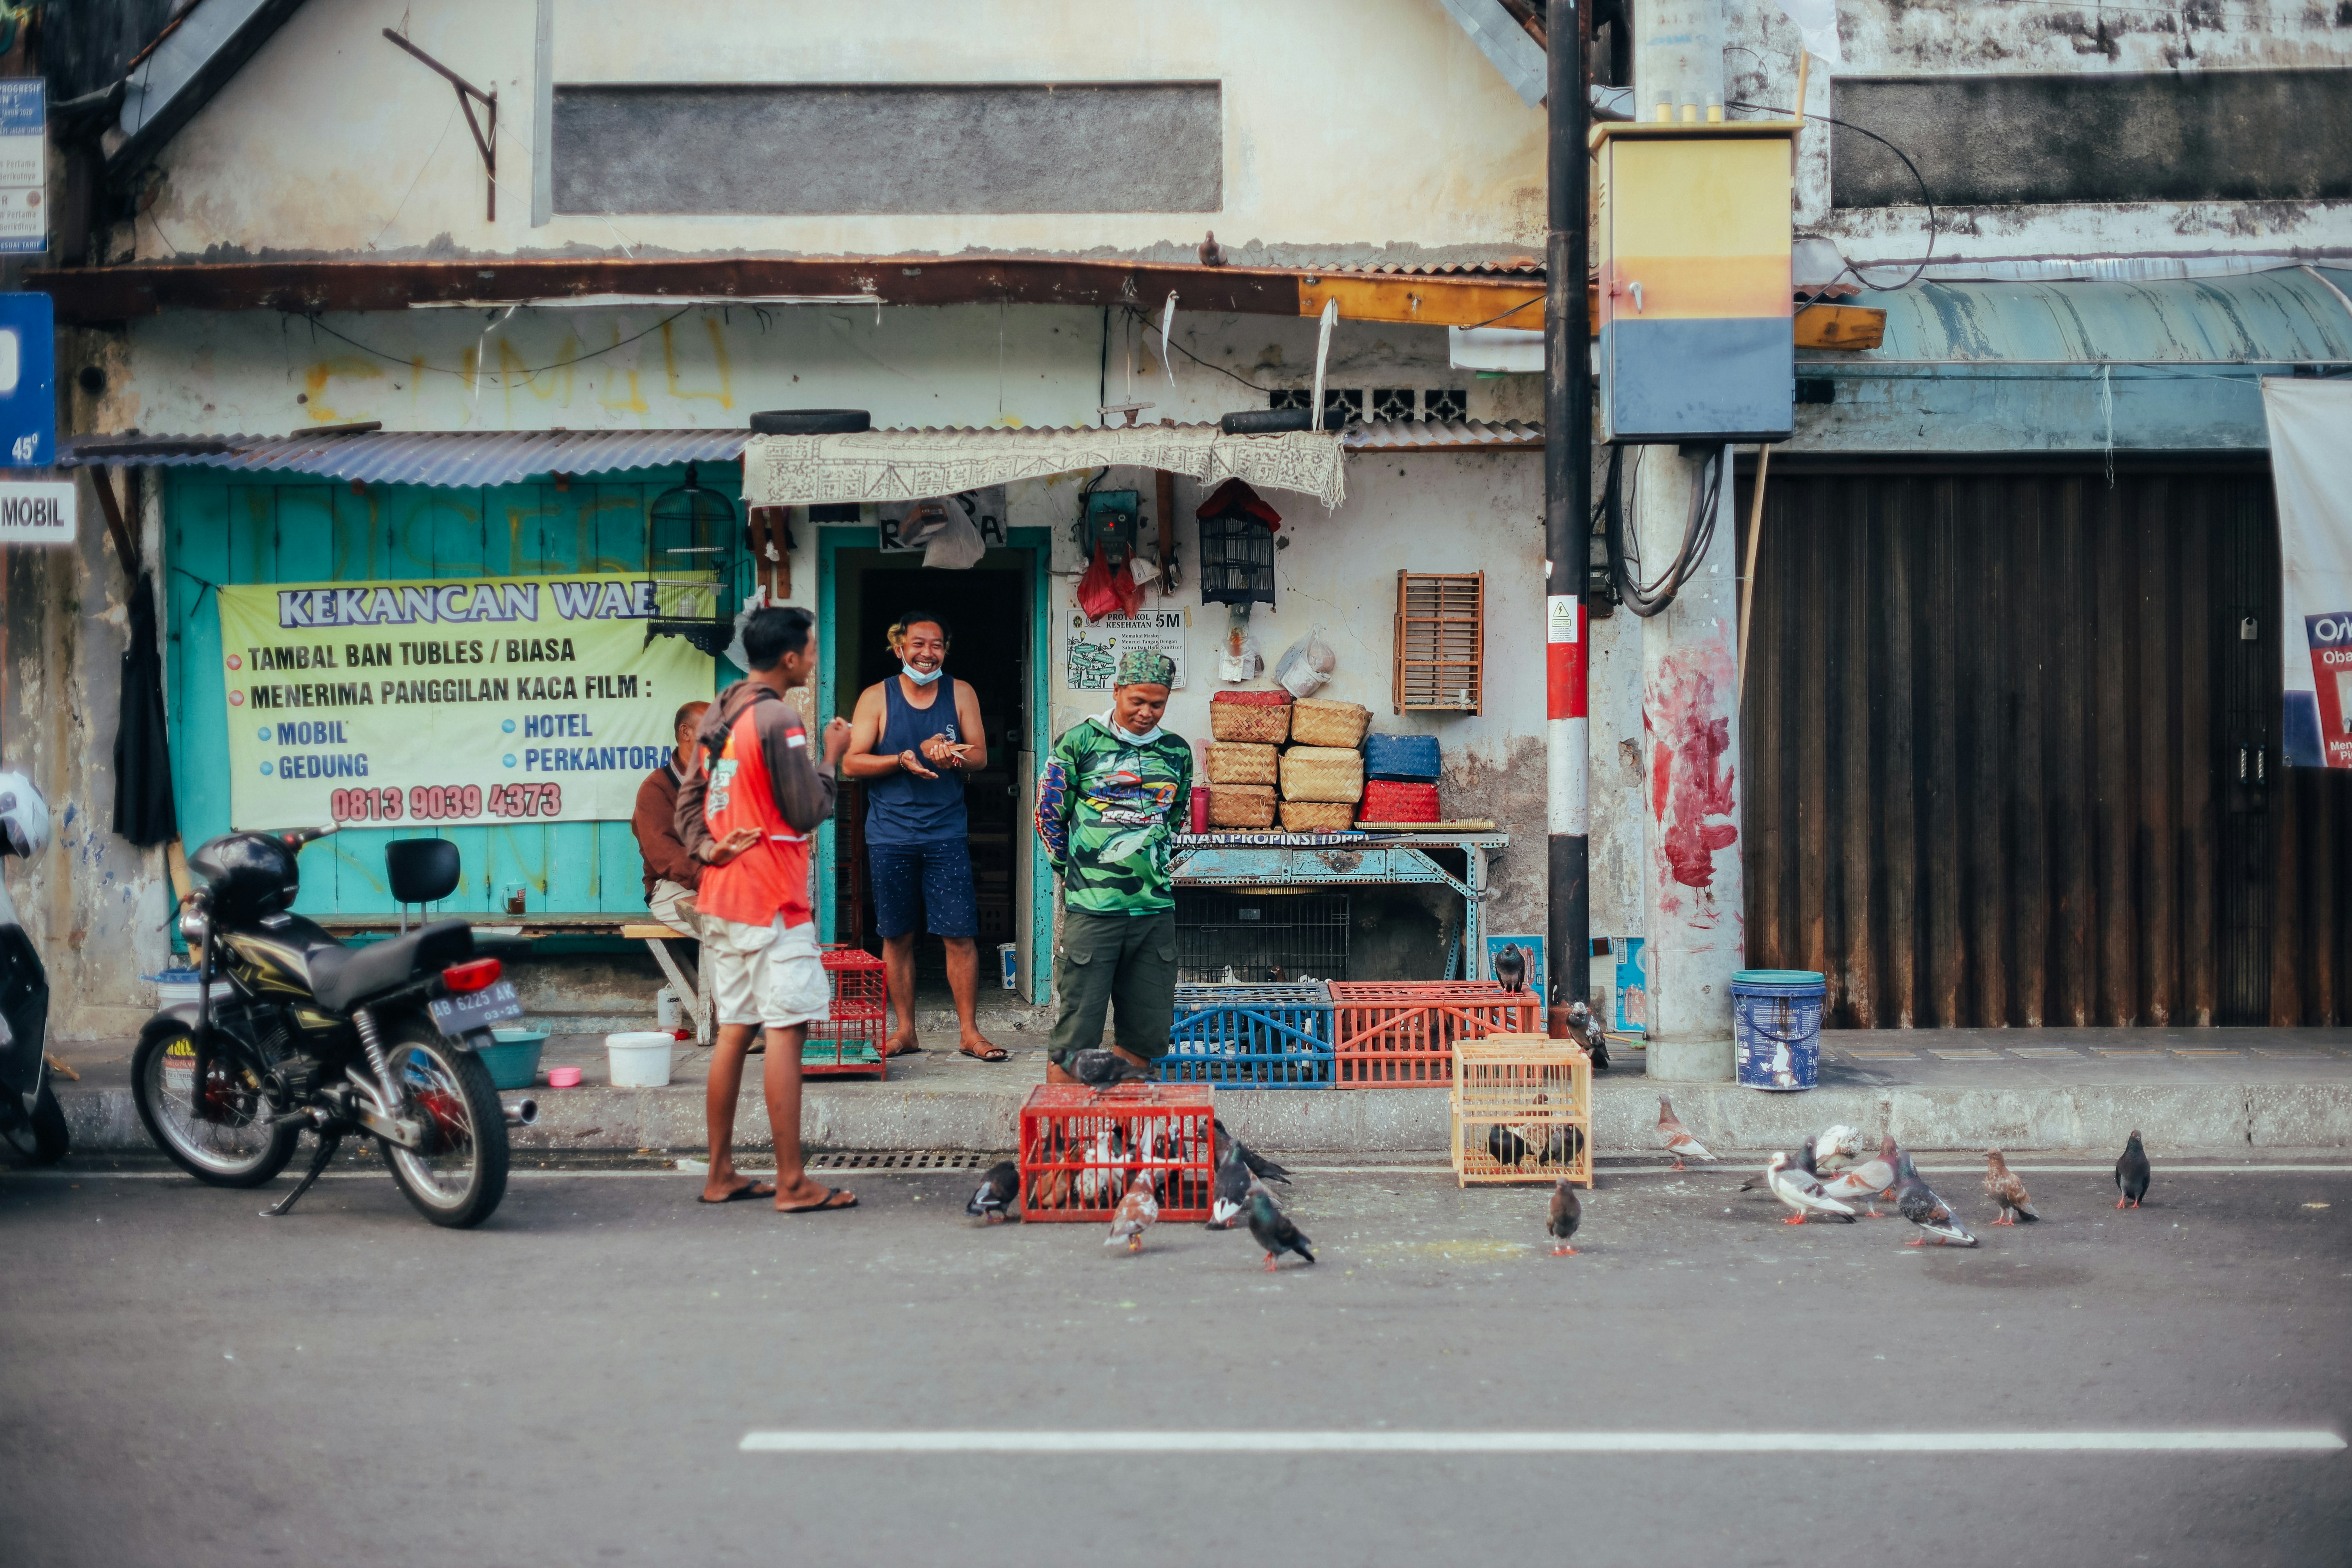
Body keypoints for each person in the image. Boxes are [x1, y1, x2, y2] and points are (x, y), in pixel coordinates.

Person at [673, 606, 858, 1213]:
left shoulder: (723, 709)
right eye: (810, 648)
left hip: (723, 896)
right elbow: (807, 811)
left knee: (734, 1031)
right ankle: (793, 1181)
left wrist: (705, 847)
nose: (813, 658)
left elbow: (689, 803)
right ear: (789, 658)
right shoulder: (779, 718)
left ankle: (721, 1172)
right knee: (786, 1030)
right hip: (772, 898)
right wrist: (833, 755)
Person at [840, 611, 1003, 1062]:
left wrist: (951, 754)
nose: (927, 653)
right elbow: (851, 763)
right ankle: (906, 1030)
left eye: (936, 645)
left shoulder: (961, 692)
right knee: (897, 935)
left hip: (946, 832)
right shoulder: (878, 697)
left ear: (945, 651)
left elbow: (980, 757)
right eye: (918, 644)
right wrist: (901, 758)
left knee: (960, 934)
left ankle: (970, 1033)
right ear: (900, 649)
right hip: (890, 834)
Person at [1034, 648, 1191, 1083]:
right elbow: (1048, 814)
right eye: (1136, 701)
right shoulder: (1080, 742)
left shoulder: (1176, 751)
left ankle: (1121, 1132)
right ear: (1117, 690)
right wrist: (1074, 870)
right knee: (1074, 1039)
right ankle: (1063, 1142)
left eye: (1157, 704)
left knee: (1146, 1034)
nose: (1146, 713)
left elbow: (1174, 817)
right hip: (1092, 912)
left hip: (1154, 914)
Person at [631, 700, 710, 938]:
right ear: (687, 732)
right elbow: (665, 855)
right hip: (670, 887)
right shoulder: (656, 788)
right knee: (726, 927)